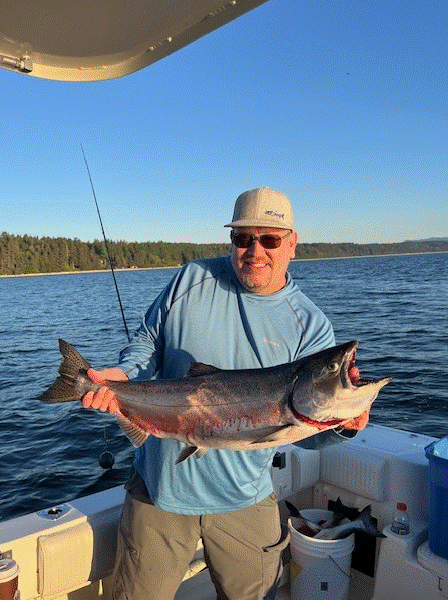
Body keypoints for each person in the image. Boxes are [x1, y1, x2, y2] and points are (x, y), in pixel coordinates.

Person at [82, 187, 369, 600]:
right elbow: (148, 341)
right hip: (159, 489)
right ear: (231, 242)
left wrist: (345, 425)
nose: (255, 251)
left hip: (244, 498)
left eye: (269, 239)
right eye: (242, 238)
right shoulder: (191, 279)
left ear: (292, 243)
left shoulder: (310, 325)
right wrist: (124, 377)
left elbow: (311, 431)